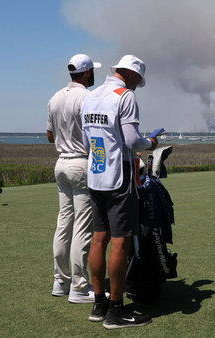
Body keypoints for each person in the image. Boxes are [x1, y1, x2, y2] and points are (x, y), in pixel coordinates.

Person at [80, 54, 158, 329]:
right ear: (132, 75)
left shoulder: (90, 95)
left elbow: (88, 138)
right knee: (121, 242)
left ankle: (98, 303)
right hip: (119, 175)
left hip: (95, 174)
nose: (138, 85)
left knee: (99, 239)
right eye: (138, 79)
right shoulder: (125, 96)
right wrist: (151, 142)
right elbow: (132, 141)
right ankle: (116, 310)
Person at [47, 53, 101, 303]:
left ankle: (61, 281)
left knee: (63, 223)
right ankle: (79, 286)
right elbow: (95, 136)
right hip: (81, 164)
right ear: (88, 72)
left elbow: (50, 135)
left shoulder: (55, 97)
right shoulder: (89, 98)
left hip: (61, 164)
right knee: (82, 226)